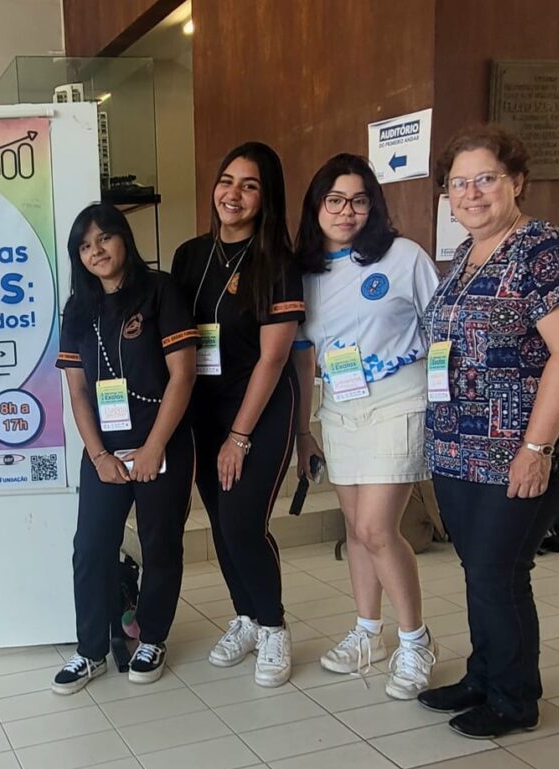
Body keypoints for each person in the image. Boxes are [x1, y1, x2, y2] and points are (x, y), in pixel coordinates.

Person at [416, 125, 559, 738]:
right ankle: (484, 675)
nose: (471, 192)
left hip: (518, 447)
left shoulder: (550, 254)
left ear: (516, 181)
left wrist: (536, 448)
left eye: (485, 178)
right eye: (458, 182)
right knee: (479, 567)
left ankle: (515, 698)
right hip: (458, 446)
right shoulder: (467, 256)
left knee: (499, 569)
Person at [290, 153, 440, 699]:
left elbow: (442, 329)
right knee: (355, 531)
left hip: (400, 399)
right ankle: (367, 632)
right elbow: (304, 355)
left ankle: (415, 640)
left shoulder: (402, 258)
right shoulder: (304, 273)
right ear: (316, 206)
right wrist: (305, 430)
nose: (346, 211)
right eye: (334, 200)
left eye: (358, 200)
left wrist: (444, 402)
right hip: (341, 406)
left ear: (373, 205)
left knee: (378, 529)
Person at [171, 141, 303, 688]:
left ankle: (273, 626)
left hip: (260, 409)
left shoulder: (278, 263)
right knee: (223, 525)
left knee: (245, 521)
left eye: (250, 186)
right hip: (203, 409)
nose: (234, 194)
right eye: (227, 181)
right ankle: (246, 617)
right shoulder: (189, 255)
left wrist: (239, 436)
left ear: (266, 198)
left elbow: (274, 358)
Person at [52, 203, 198, 694]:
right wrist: (98, 455)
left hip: (162, 446)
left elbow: (183, 373)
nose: (96, 251)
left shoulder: (160, 292)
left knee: (161, 545)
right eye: (85, 246)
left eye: (104, 239)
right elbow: (77, 390)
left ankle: (152, 637)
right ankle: (90, 650)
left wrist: (155, 446)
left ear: (124, 239)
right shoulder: (77, 309)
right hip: (105, 453)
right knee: (90, 548)